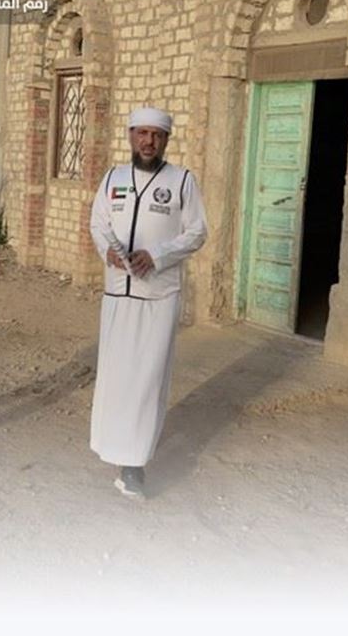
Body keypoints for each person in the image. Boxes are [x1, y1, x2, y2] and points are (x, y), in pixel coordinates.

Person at [88, 107, 208, 499]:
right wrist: (107, 249)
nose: (148, 142)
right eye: (141, 133)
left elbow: (196, 232)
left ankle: (134, 464)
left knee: (147, 379)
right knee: (117, 376)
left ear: (166, 140)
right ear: (130, 136)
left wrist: (157, 254)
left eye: (156, 135)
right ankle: (111, 447)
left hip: (157, 296)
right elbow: (98, 223)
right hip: (117, 294)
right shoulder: (113, 178)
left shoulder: (181, 181)